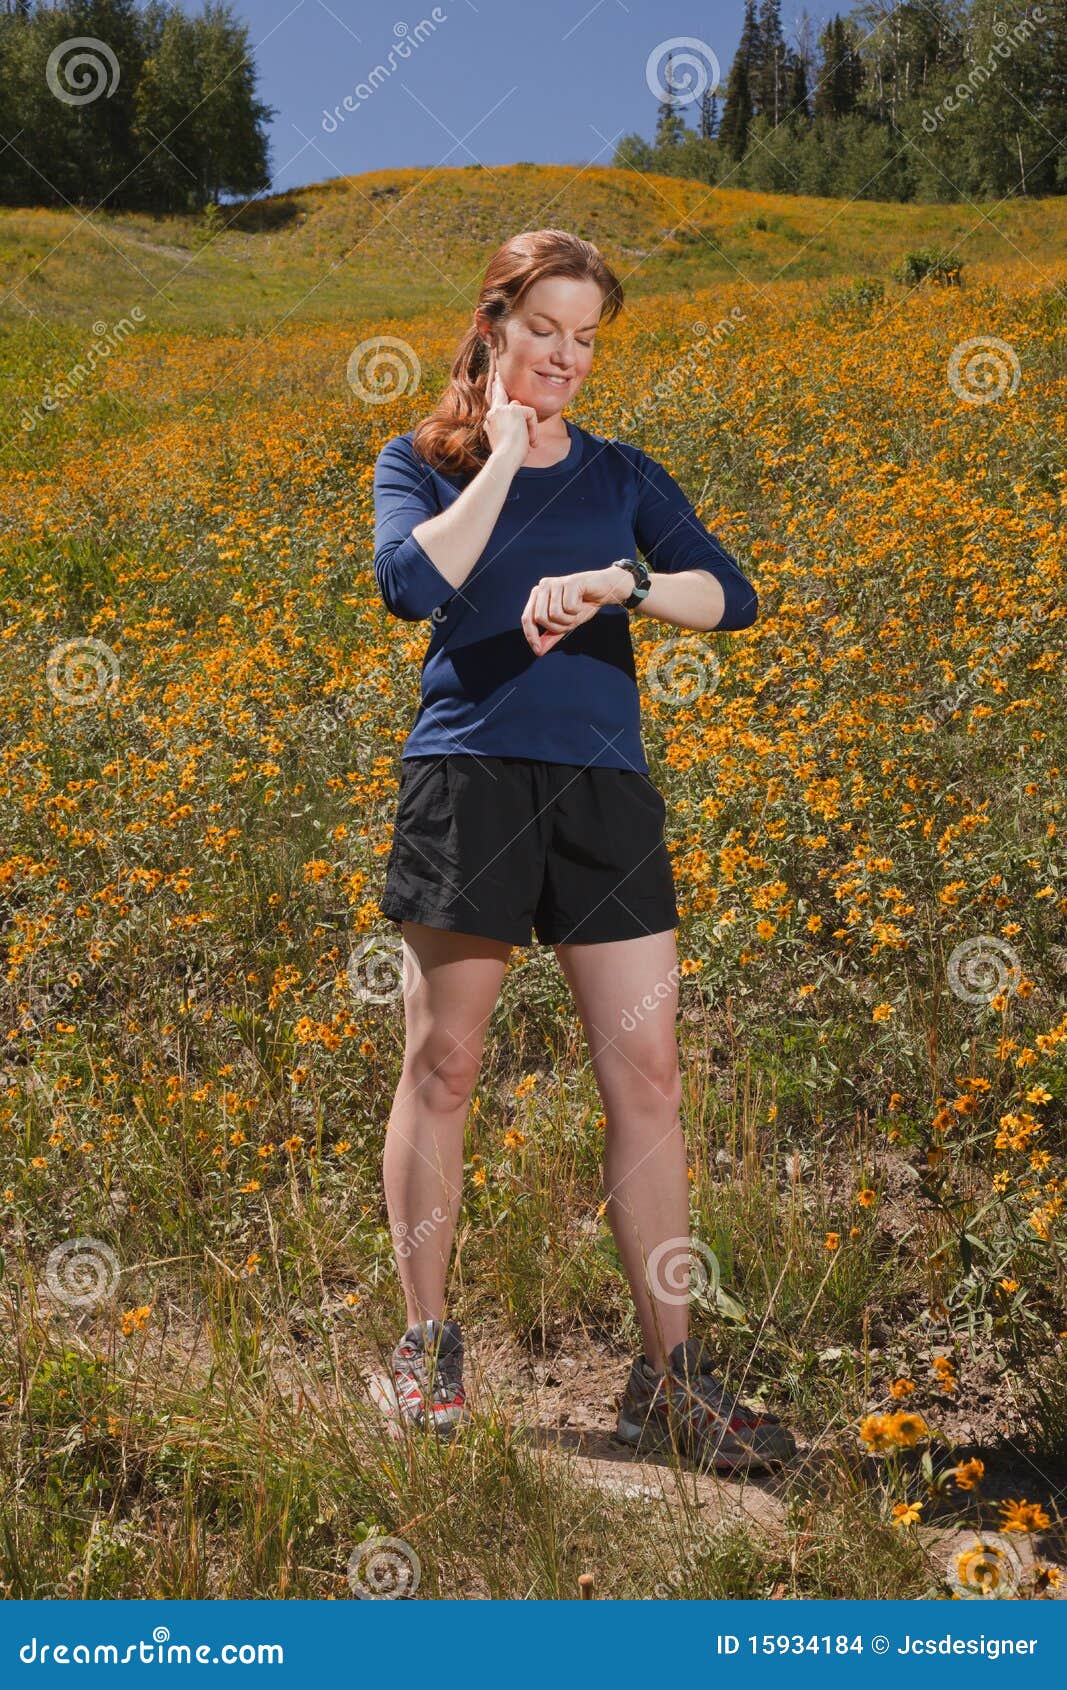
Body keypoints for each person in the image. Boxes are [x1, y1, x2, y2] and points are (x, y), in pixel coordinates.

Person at [368, 228, 795, 1473]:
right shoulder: (423, 459)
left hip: (604, 789)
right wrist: (499, 457)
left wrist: (620, 583)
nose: (564, 356)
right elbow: (410, 584)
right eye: (542, 328)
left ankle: (671, 1378)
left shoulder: (622, 470)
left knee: (649, 1075)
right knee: (445, 1062)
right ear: (494, 325)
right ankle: (427, 1352)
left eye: (585, 337)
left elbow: (730, 592)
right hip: (468, 775)